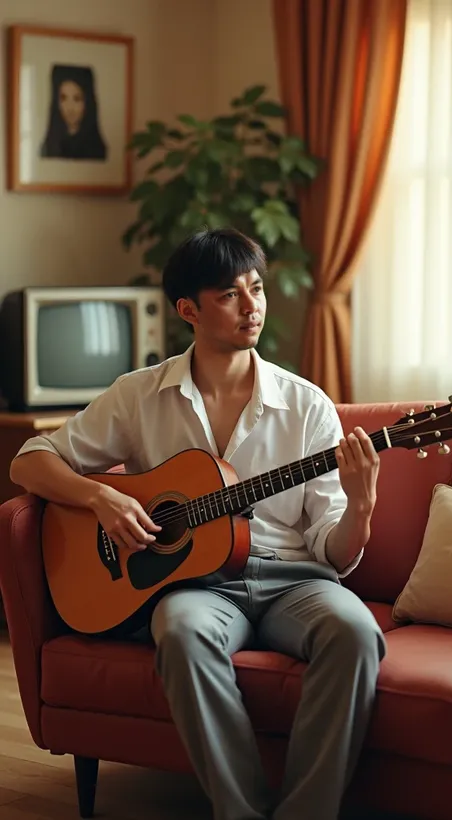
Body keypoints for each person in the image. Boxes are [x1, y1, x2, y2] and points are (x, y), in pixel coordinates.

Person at [10, 227, 385, 820]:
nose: (252, 305)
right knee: (180, 633)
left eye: (256, 290)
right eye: (230, 295)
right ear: (189, 309)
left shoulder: (308, 405)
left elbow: (333, 552)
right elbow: (29, 460)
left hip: (294, 579)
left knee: (357, 633)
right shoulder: (140, 395)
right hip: (193, 586)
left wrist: (361, 508)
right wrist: (100, 500)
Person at [40, 64, 108, 161]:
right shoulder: (48, 146)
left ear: (87, 102)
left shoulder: (97, 149)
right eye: (63, 98)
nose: (70, 108)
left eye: (77, 99)